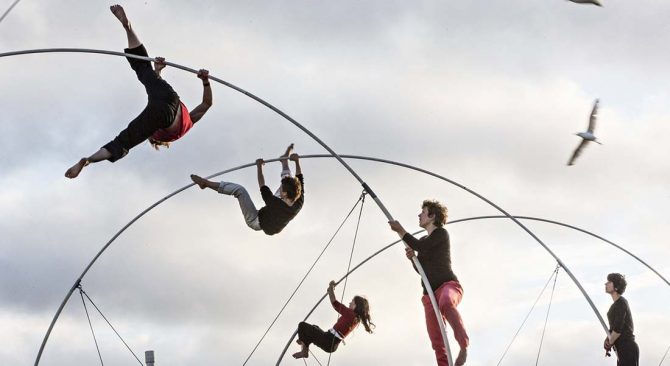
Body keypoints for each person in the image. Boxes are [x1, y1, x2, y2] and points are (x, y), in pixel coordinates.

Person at [65, 4, 213, 179]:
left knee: (143, 67)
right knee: (122, 141)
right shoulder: (161, 130)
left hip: (170, 96)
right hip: (165, 104)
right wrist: (204, 81)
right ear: (155, 139)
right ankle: (89, 159)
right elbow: (202, 105)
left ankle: (128, 27)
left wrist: (204, 81)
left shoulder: (186, 126)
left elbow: (206, 104)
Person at [389, 200, 469, 366]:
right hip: (429, 295)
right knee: (436, 339)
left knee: (446, 302)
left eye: (423, 212)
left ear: (432, 216)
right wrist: (413, 260)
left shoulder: (441, 234)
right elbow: (422, 271)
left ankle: (463, 346)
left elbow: (420, 246)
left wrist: (401, 231)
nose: (419, 215)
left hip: (448, 285)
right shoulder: (423, 239)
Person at [190, 144, 304, 235]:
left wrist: (259, 166)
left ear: (284, 194)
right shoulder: (299, 201)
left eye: (282, 190)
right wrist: (297, 161)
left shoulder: (274, 203)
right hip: (274, 213)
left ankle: (206, 184)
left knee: (240, 190)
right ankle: (284, 161)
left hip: (256, 221)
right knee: (290, 182)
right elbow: (299, 179)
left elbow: (262, 185)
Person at [292, 280, 374, 359]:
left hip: (328, 340)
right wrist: (330, 291)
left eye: (352, 301)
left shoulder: (351, 314)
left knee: (302, 325)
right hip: (332, 343)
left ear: (356, 305)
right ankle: (304, 342)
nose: (350, 302)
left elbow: (334, 303)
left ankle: (304, 348)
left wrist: (331, 286)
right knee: (314, 327)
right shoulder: (356, 319)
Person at [604, 273, 639, 365]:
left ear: (616, 286)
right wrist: (607, 339)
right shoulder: (614, 305)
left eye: (609, 282)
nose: (606, 284)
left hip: (628, 348)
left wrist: (610, 342)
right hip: (621, 350)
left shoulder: (622, 303)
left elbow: (618, 329)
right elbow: (613, 328)